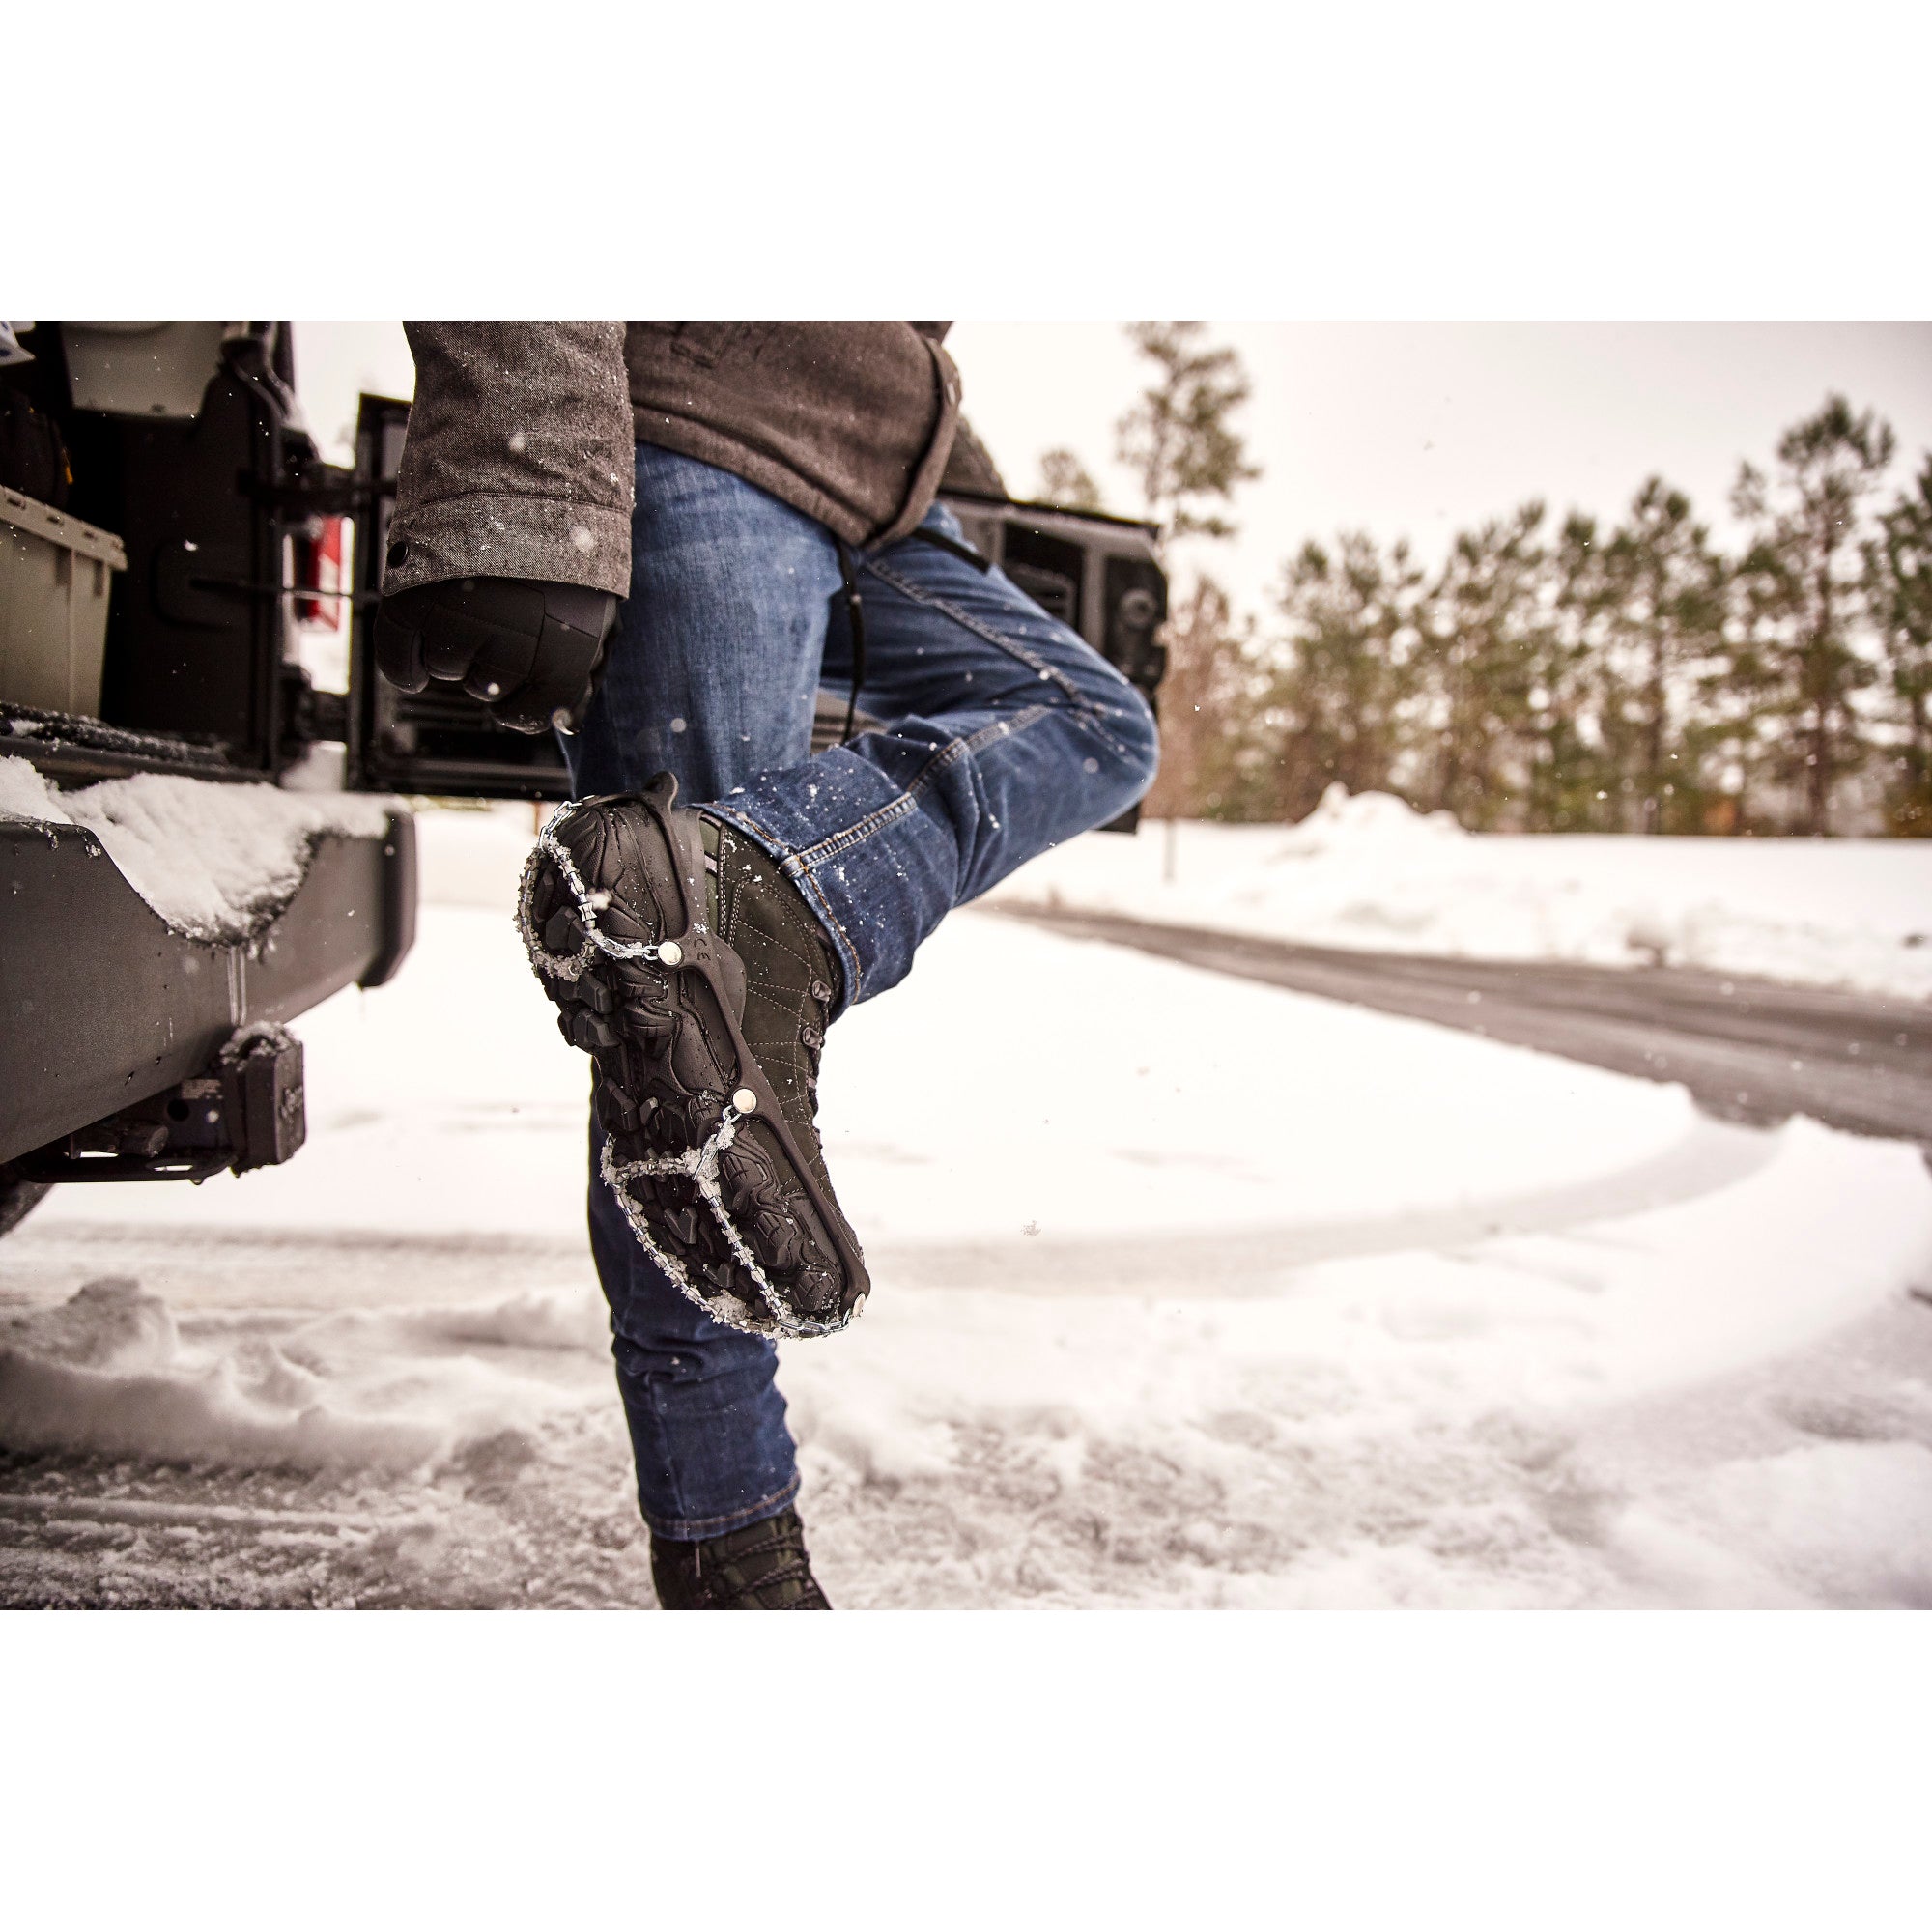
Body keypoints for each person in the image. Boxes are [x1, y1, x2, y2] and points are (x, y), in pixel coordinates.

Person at [375, 323, 1159, 1608]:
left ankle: (773, 887)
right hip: (704, 440)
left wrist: (934, 451)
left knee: (1097, 723)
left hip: (872, 496)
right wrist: (526, 472)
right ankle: (730, 1547)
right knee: (687, 1046)